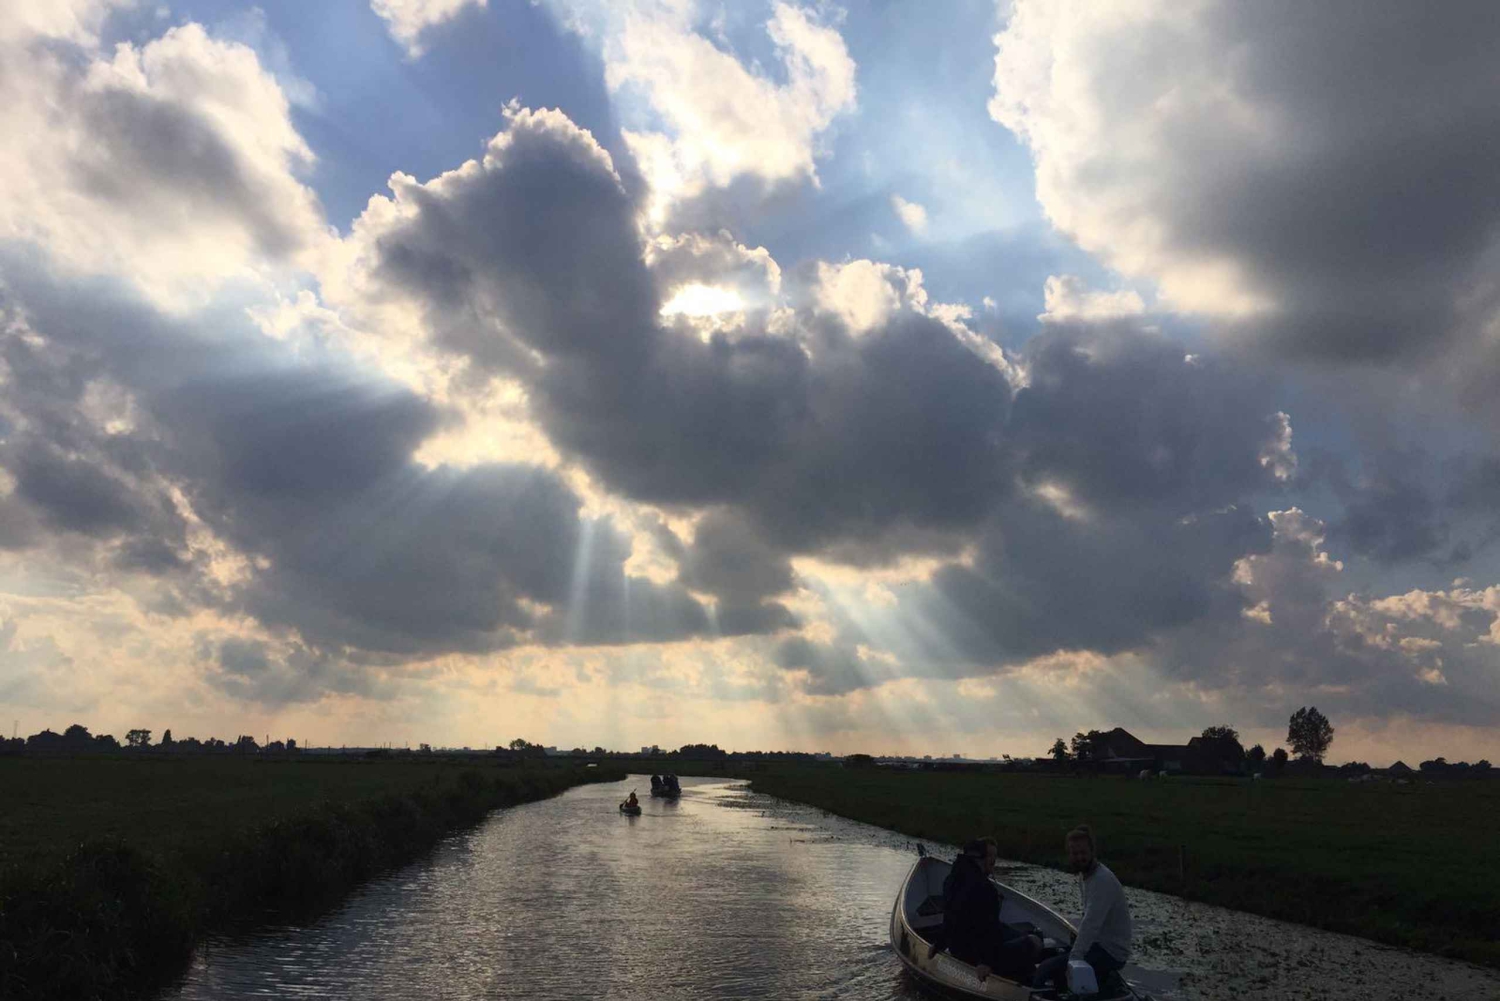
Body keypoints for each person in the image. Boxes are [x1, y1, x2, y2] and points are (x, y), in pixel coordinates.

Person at [1034, 825, 1132, 993]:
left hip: (1111, 952)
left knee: (1046, 968)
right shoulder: (1085, 876)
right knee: (1050, 954)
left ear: (1092, 852)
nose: (1079, 857)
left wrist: (1075, 958)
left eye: (1083, 853)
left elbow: (1091, 924)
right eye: (1075, 853)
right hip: (1098, 945)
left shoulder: (1102, 880)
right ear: (1069, 854)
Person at [941, 837, 1044, 982]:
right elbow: (988, 930)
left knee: (1007, 930)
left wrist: (939, 943)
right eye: (989, 856)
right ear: (982, 858)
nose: (993, 861)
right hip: (974, 956)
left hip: (957, 948)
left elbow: (949, 918)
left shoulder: (951, 880)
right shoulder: (985, 889)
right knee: (1035, 941)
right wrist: (985, 962)